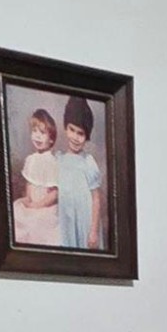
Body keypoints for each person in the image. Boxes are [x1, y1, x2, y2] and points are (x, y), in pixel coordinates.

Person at [55, 94, 103, 251]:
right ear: (65, 128)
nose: (75, 137)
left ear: (87, 135)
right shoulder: (59, 160)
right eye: (72, 130)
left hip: (84, 221)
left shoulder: (88, 162)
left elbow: (96, 198)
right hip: (66, 220)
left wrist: (94, 230)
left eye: (80, 133)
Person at [11, 106, 59, 243]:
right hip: (32, 203)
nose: (37, 136)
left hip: (46, 206)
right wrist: (28, 199)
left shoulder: (51, 162)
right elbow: (30, 183)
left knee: (36, 224)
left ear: (51, 139)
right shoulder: (31, 159)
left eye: (42, 133)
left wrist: (38, 205)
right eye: (34, 131)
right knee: (16, 211)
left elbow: (54, 194)